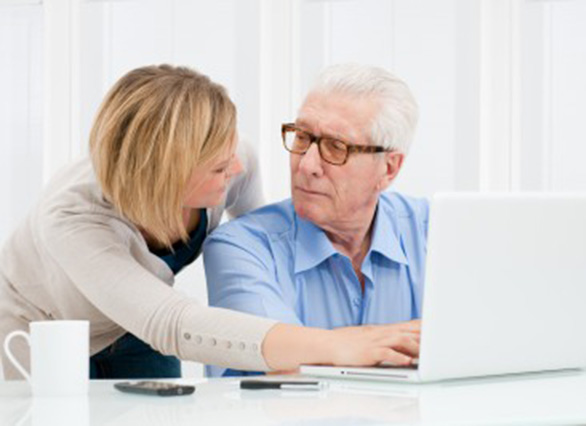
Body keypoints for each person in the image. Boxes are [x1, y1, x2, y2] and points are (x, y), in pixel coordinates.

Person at [0, 64, 420, 380]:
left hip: (134, 328)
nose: (235, 167)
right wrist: (341, 345)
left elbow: (268, 248)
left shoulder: (236, 161)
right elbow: (173, 323)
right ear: (166, 175)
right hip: (40, 330)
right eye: (218, 167)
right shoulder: (73, 216)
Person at [203, 63, 428, 376]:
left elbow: (479, 338)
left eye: (336, 147)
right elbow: (279, 374)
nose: (307, 165)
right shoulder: (241, 246)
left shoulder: (434, 231)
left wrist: (330, 350)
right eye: (302, 137)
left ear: (388, 168)